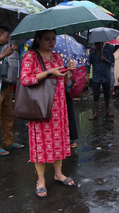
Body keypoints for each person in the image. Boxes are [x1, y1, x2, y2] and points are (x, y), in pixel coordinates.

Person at [21, 30, 77, 198]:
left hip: (59, 107)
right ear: (38, 39)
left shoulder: (58, 56)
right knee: (41, 144)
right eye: (47, 39)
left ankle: (58, 173)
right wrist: (48, 73)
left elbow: (64, 82)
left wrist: (69, 71)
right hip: (40, 107)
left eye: (53, 39)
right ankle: (40, 180)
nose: (51, 42)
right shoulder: (31, 56)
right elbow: (25, 79)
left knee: (58, 141)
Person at [0, 26, 24, 156]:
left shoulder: (4, 47)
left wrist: (13, 50)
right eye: (7, 36)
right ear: (0, 35)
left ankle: (8, 142)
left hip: (5, 85)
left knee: (8, 115)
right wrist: (4, 54)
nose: (8, 39)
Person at [88, 42, 112, 120]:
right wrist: (87, 75)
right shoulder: (92, 54)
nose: (100, 46)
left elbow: (111, 62)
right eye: (98, 44)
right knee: (96, 94)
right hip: (96, 76)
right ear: (95, 44)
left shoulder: (105, 52)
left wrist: (105, 59)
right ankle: (95, 113)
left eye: (101, 44)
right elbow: (88, 65)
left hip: (105, 76)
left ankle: (107, 109)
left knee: (107, 93)